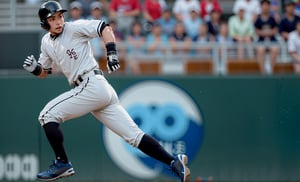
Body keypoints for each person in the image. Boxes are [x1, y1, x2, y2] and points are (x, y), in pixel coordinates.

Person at [22, 1, 190, 182]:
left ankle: (62, 163)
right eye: (52, 18)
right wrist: (35, 69)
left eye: (60, 16)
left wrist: (112, 53)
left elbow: (104, 27)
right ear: (45, 23)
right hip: (94, 90)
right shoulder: (46, 42)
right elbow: (44, 72)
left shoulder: (75, 28)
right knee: (134, 137)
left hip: (91, 84)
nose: (58, 21)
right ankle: (174, 163)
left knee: (47, 115)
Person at [254, 0, 279, 74]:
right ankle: (263, 72)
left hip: (272, 40)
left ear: (269, 6)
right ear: (261, 7)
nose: (265, 7)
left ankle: (271, 71)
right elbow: (256, 31)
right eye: (263, 5)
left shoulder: (273, 17)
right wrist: (265, 33)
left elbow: (276, 30)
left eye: (267, 5)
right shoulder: (257, 18)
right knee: (260, 50)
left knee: (274, 49)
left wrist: (267, 33)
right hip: (261, 40)